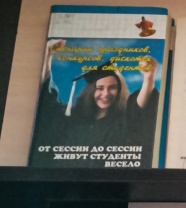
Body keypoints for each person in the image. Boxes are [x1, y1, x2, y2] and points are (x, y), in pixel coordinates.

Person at [32, 39, 160, 167]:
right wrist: (48, 56)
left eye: (112, 88)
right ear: (91, 91)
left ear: (119, 90)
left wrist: (148, 78)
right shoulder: (73, 121)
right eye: (100, 88)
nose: (106, 94)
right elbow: (49, 102)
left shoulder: (123, 123)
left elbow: (139, 109)